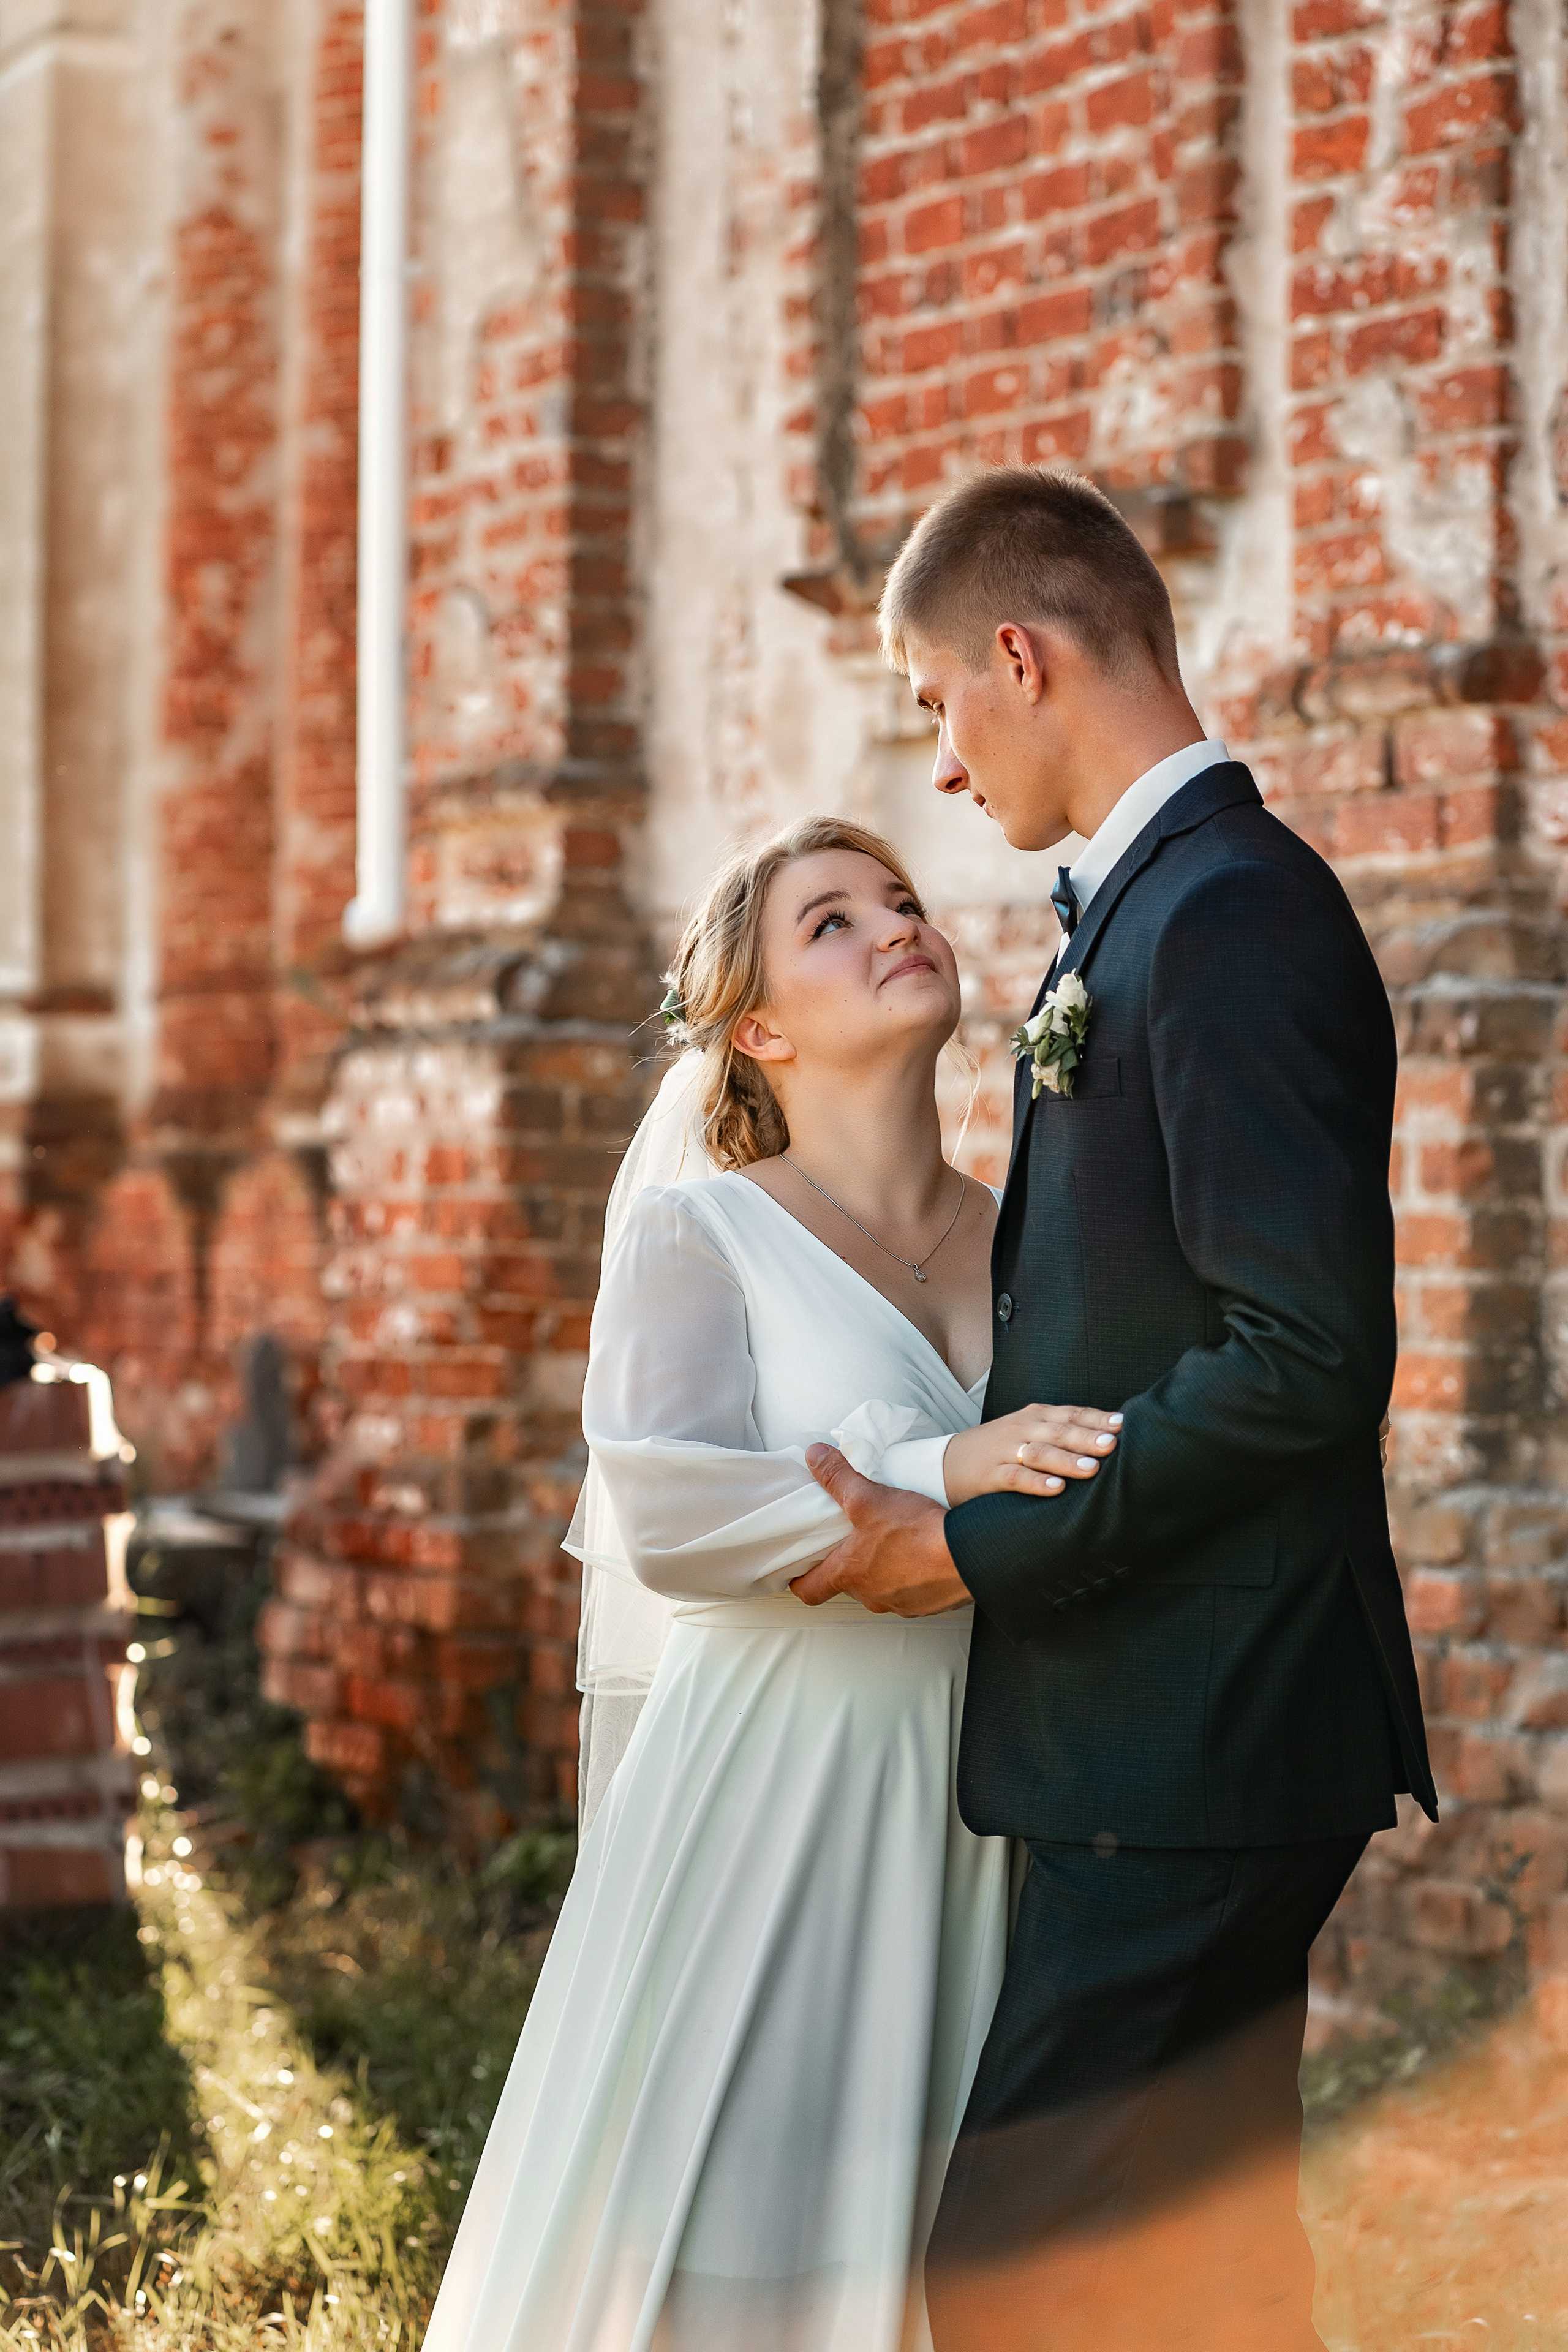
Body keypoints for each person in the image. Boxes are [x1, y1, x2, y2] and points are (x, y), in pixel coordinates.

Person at [794, 466, 1437, 2351]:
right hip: (1175, 1729)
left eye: (933, 704)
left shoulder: (1226, 916)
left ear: (1019, 654)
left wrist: (980, 1537)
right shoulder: (1156, 910)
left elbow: (1308, 1353)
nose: (938, 759)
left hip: (1199, 1736)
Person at [423, 814, 1119, 2352]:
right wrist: (938, 1472)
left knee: (931, 2234)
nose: (891, 925)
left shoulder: (1018, 1246)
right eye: (829, 923)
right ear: (757, 1031)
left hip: (969, 1790)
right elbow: (662, 1509)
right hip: (775, 1784)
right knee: (737, 2227)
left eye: (900, 899)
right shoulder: (702, 1229)